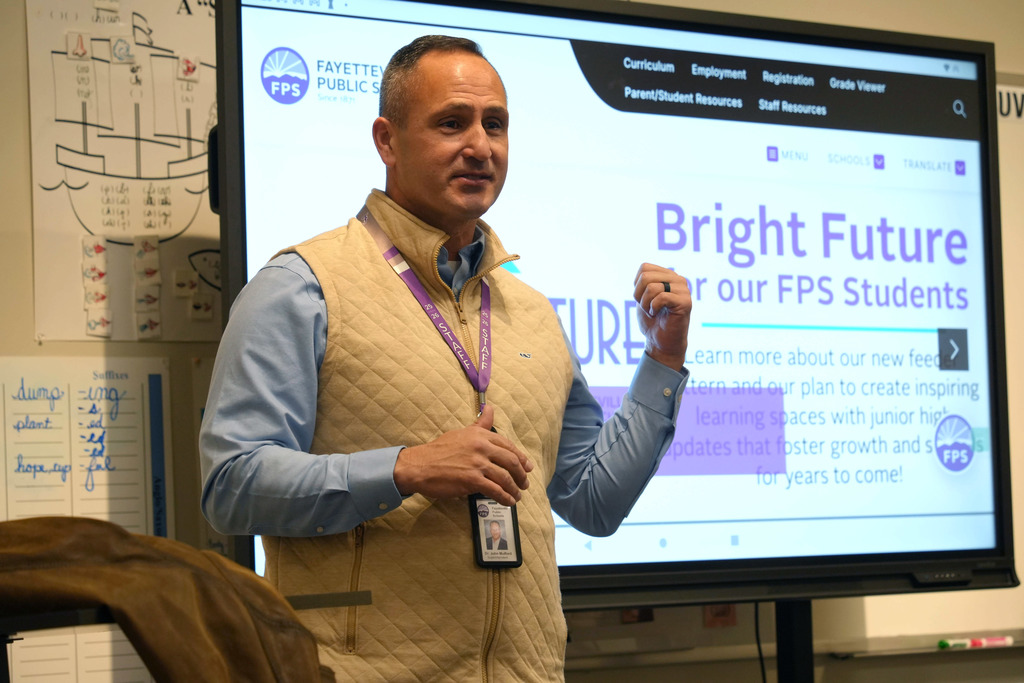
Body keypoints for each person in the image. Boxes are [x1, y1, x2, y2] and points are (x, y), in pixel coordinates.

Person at [200, 35, 691, 682]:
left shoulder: (533, 314)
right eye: (452, 123)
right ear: (387, 140)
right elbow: (230, 486)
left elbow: (591, 499)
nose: (480, 146)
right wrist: (405, 469)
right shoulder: (304, 285)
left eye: (496, 125)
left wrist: (663, 357)